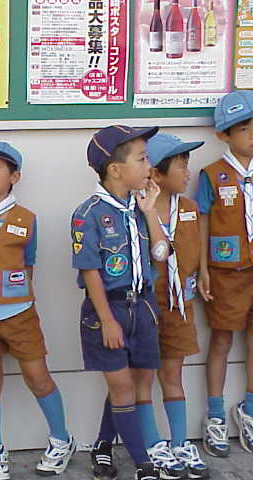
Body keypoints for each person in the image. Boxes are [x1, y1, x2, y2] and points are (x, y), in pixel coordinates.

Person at [0, 141, 75, 479]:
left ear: (14, 177)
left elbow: (29, 262)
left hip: (19, 315)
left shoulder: (26, 218)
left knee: (38, 377)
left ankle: (61, 439)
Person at [71, 126, 173, 480]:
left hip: (143, 307)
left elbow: (161, 253)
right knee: (123, 387)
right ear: (115, 169)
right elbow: (90, 271)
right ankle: (144, 465)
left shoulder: (140, 207)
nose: (149, 166)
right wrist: (107, 320)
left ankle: (102, 445)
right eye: (141, 159)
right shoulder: (88, 214)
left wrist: (151, 211)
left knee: (132, 384)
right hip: (109, 309)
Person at [147, 134, 209, 478]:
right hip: (145, 307)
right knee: (140, 378)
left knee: (173, 374)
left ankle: (180, 443)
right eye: (181, 166)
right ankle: (152, 445)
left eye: (188, 165)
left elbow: (196, 247)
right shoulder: (137, 210)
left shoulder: (188, 208)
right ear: (156, 174)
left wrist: (203, 274)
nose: (188, 172)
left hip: (180, 305)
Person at [195, 90, 253, 457]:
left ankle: (250, 409)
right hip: (226, 273)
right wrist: (202, 268)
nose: (252, 136)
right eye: (244, 129)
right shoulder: (212, 175)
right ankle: (215, 414)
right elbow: (201, 222)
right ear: (224, 135)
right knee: (221, 340)